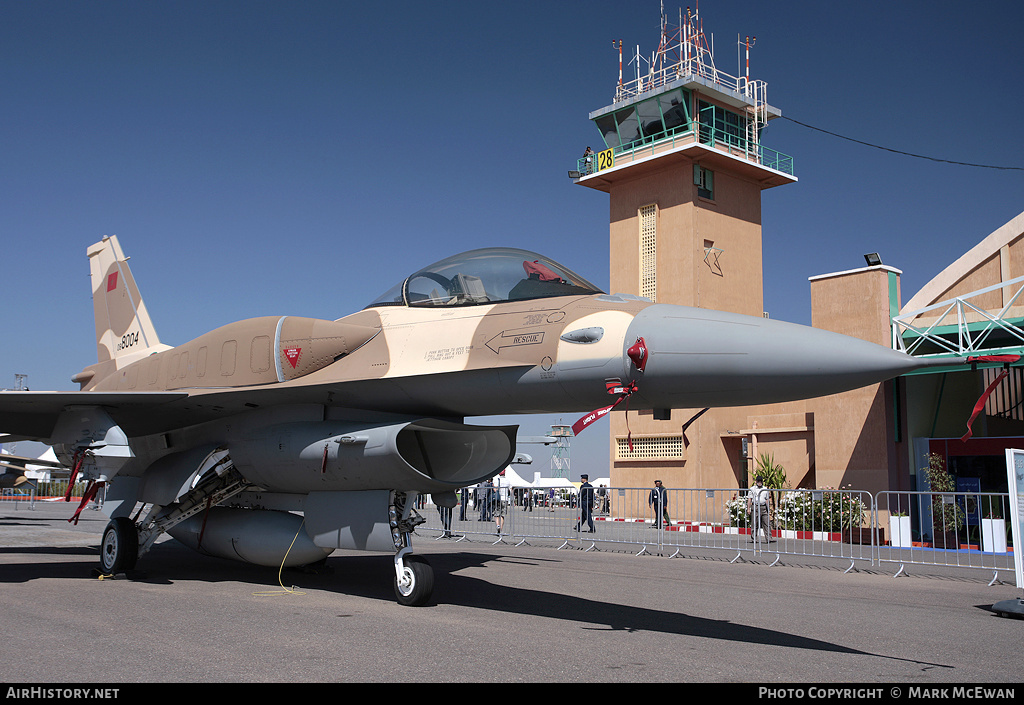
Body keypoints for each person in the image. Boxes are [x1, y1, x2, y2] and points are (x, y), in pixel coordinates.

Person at [747, 475, 773, 543]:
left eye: (760, 481)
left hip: (763, 507)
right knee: (754, 523)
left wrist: (768, 509)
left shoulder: (765, 489)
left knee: (766, 523)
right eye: (758, 481)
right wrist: (748, 508)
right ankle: (754, 539)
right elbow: (749, 499)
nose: (759, 483)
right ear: (756, 481)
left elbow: (767, 499)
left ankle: (768, 538)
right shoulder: (752, 489)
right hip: (755, 506)